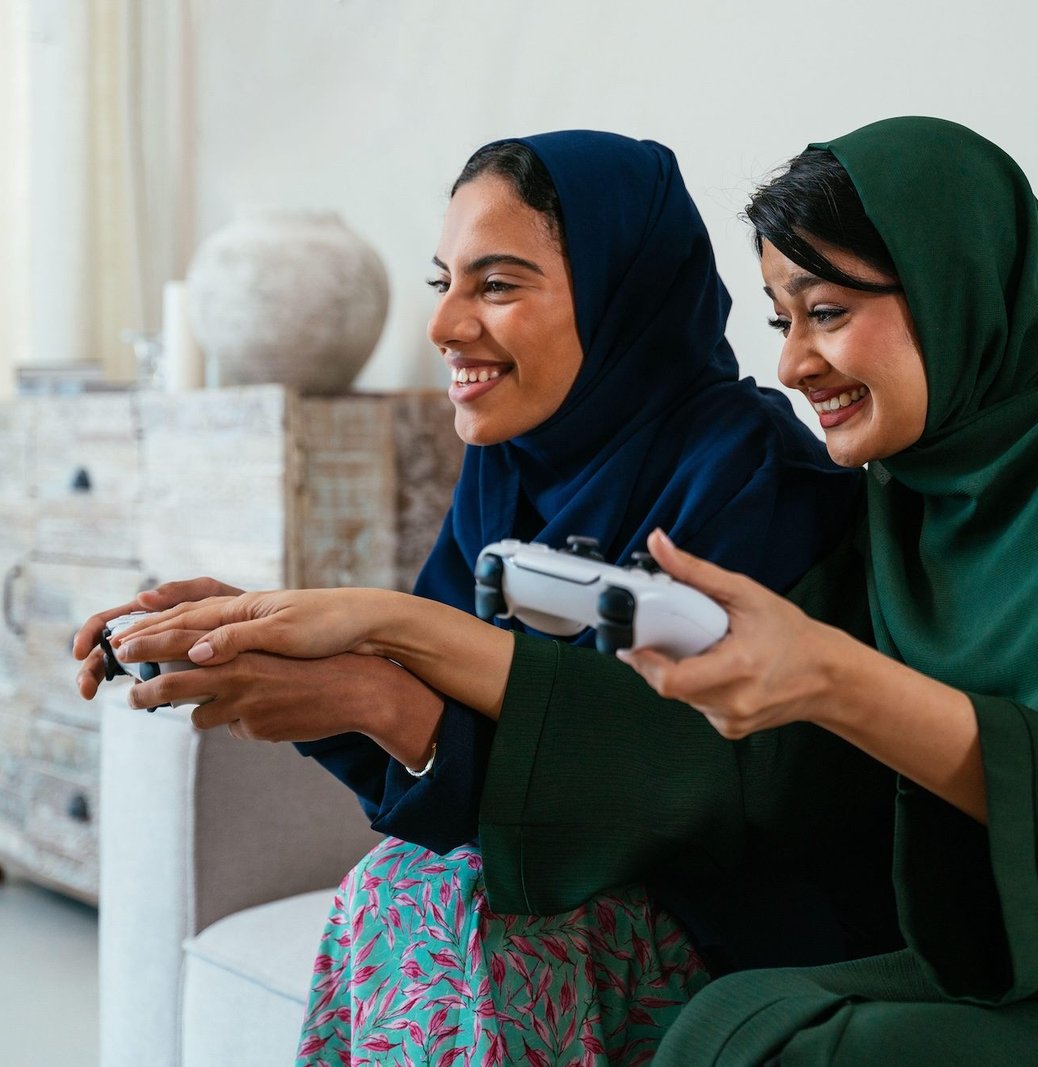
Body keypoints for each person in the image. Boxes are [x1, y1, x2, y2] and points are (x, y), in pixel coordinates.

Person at [109, 116, 1038, 1065]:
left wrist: (827, 678)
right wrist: (352, 675)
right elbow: (811, 790)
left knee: (814, 1041)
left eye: (832, 310)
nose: (791, 360)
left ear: (959, 284)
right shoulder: (913, 494)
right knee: (731, 1022)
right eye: (782, 316)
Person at [76, 131, 899, 1065]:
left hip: (734, 922)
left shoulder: (752, 469)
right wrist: (281, 648)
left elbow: (688, 792)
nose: (445, 326)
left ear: (618, 289)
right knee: (420, 879)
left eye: (497, 285)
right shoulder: (505, 466)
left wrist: (377, 678)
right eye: (445, 284)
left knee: (444, 896)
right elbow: (465, 768)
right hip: (561, 888)